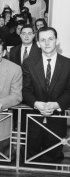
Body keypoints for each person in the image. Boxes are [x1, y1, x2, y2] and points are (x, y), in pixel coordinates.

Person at [22, 27, 70, 163]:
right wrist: (37, 104)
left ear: (57, 41)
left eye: (50, 39)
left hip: (57, 121)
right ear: (38, 43)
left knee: (53, 161)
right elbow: (25, 90)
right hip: (34, 120)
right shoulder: (28, 63)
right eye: (43, 40)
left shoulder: (68, 64)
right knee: (31, 160)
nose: (47, 43)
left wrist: (57, 104)